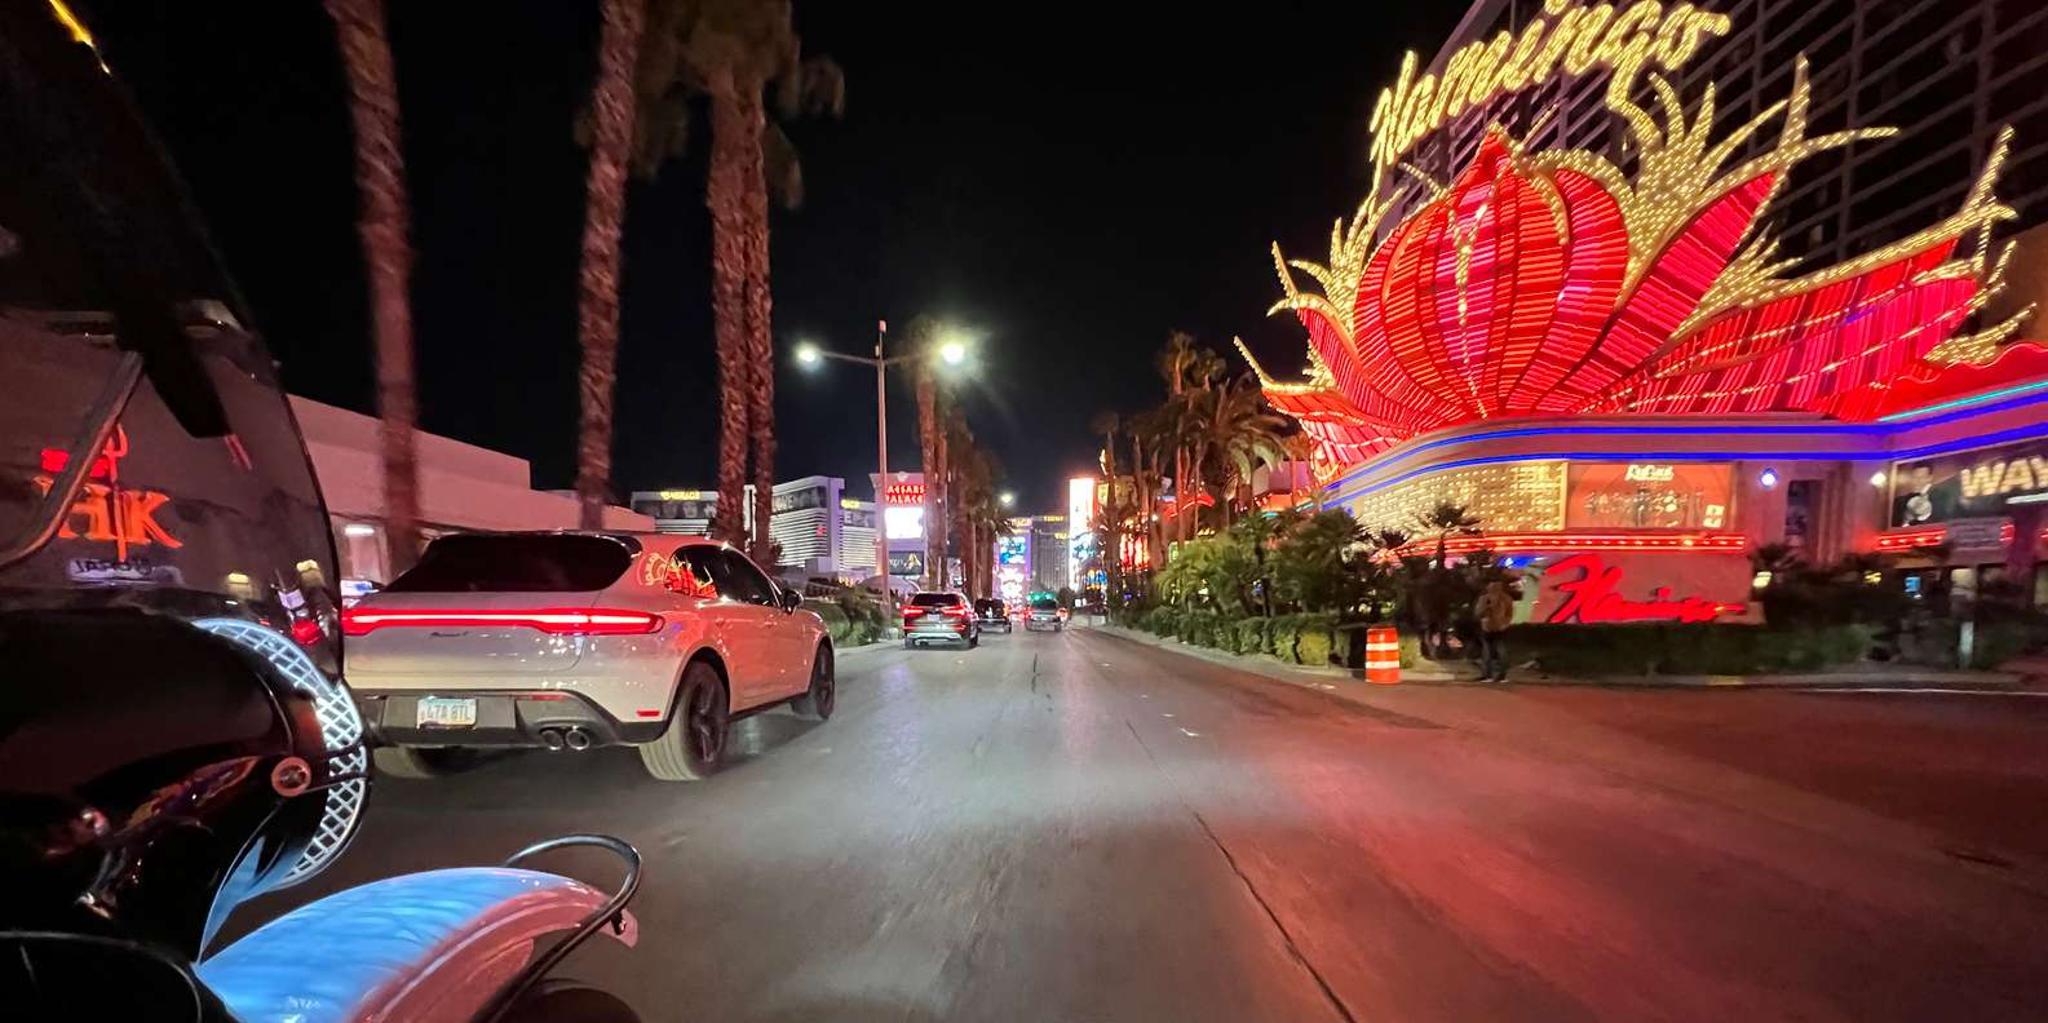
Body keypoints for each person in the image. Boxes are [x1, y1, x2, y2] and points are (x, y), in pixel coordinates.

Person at [1474, 578, 1515, 683]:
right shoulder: (1484, 599)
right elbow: (1478, 613)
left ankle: (1501, 676)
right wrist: (1486, 608)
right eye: (1491, 586)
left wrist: (1505, 624)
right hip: (1487, 628)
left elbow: (1509, 614)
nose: (1493, 588)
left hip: (1501, 628)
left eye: (1496, 586)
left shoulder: (1506, 599)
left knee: (1501, 652)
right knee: (1487, 652)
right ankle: (1487, 675)